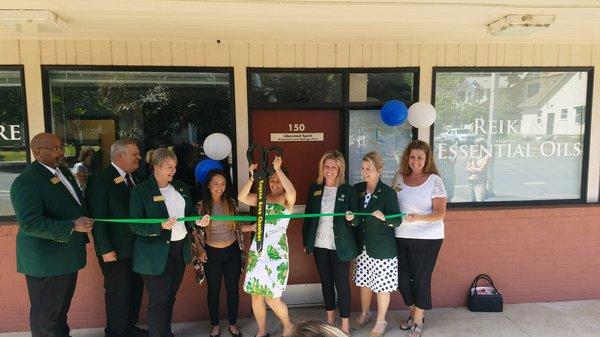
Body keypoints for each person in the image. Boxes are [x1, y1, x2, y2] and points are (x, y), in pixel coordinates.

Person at [10, 132, 94, 337]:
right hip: (46, 261)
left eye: (61, 147)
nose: (61, 152)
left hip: (65, 257)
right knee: (46, 316)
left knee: (59, 312)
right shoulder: (27, 181)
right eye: (54, 149)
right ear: (37, 152)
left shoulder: (61, 172)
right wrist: (72, 226)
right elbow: (30, 223)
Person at [129, 148, 205, 337]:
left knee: (170, 298)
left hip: (179, 251)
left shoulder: (181, 187)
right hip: (154, 254)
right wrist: (160, 227)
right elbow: (134, 226)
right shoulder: (141, 191)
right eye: (169, 167)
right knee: (159, 301)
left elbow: (187, 216)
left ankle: (166, 333)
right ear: (156, 167)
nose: (173, 171)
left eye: (175, 167)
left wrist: (197, 220)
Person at [87, 139, 148, 337]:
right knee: (118, 292)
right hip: (115, 250)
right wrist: (105, 248)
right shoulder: (100, 179)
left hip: (136, 247)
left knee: (135, 289)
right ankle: (115, 331)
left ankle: (129, 327)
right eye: (135, 154)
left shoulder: (135, 178)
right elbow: (98, 217)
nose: (139, 157)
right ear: (119, 156)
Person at [391, 140, 446, 337]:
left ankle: (417, 319)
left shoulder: (435, 181)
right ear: (407, 157)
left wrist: (419, 218)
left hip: (428, 238)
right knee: (402, 278)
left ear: (426, 159)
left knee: (421, 279)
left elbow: (440, 213)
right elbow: (391, 203)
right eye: (412, 156)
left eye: (420, 157)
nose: (415, 161)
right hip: (401, 235)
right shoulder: (398, 178)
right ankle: (414, 312)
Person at [238, 156, 296, 337]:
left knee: (272, 297)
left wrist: (278, 169)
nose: (274, 183)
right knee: (256, 295)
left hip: (276, 251)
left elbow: (292, 191)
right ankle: (262, 331)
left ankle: (287, 325)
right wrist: (252, 177)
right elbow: (242, 197)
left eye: (278, 180)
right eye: (272, 180)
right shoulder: (263, 198)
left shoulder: (287, 199)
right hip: (258, 248)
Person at [302, 151, 358, 335]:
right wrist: (306, 241)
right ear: (322, 168)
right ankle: (329, 321)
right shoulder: (315, 188)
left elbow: (356, 221)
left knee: (342, 285)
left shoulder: (348, 190)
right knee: (326, 282)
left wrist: (351, 218)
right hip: (319, 244)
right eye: (326, 166)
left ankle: (344, 325)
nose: (330, 170)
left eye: (334, 166)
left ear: (340, 168)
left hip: (340, 246)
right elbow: (308, 218)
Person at [192, 169, 253, 337]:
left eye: (223, 184)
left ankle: (233, 324)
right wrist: (199, 248)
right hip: (212, 254)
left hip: (232, 252)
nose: (220, 187)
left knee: (233, 289)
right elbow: (194, 231)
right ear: (208, 185)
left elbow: (237, 227)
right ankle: (215, 325)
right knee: (213, 290)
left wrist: (251, 227)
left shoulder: (231, 203)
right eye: (216, 184)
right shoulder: (201, 206)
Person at [351, 151, 401, 337]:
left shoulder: (388, 193)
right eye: (363, 168)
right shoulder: (357, 189)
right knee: (364, 282)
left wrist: (385, 218)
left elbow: (397, 221)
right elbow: (356, 219)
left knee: (382, 286)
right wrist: (351, 218)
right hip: (363, 247)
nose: (365, 172)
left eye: (369, 169)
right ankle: (365, 314)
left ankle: (381, 321)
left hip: (382, 249)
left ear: (378, 170)